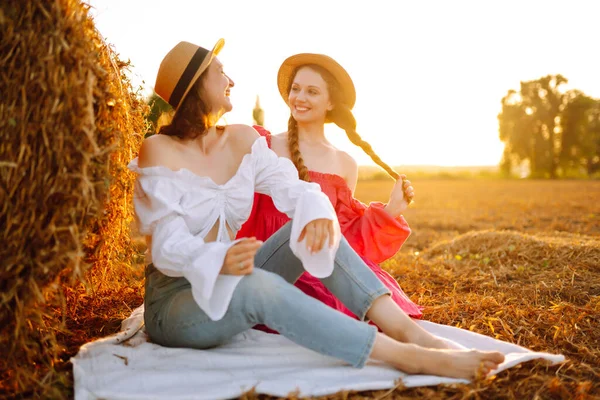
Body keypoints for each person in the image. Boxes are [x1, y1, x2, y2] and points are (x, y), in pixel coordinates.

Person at [129, 39, 504, 379]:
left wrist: (318, 211)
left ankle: (415, 336)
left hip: (229, 279)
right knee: (258, 285)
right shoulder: (159, 151)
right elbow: (166, 247)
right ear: (198, 85)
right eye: (220, 71)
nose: (231, 80)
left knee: (307, 224)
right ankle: (404, 356)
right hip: (177, 302)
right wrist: (220, 257)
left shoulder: (241, 139)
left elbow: (295, 188)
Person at [237, 53, 422, 323]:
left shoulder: (344, 163)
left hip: (318, 268)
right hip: (268, 264)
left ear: (331, 102)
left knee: (353, 307)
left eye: (312, 91)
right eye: (296, 89)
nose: (300, 98)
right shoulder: (262, 145)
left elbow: (343, 237)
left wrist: (392, 209)